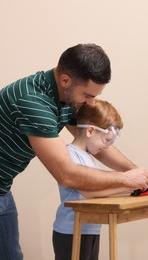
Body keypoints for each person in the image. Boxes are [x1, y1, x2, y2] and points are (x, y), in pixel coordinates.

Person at [0, 43, 148, 260]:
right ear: (65, 80)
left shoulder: (66, 98)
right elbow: (66, 174)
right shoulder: (33, 101)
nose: (91, 103)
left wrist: (139, 172)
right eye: (88, 96)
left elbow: (95, 145)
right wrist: (126, 179)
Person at [52, 99, 130, 260]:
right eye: (106, 140)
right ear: (89, 131)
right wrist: (127, 183)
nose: (108, 147)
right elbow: (88, 192)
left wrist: (133, 189)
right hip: (70, 231)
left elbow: (101, 192)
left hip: (90, 229)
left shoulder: (88, 157)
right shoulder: (70, 155)